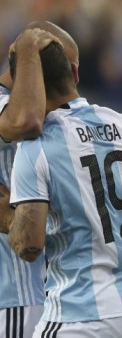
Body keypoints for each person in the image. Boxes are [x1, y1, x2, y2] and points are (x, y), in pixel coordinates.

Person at [2, 37, 122, 337]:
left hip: (78, 315)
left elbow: (29, 245)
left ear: (26, 88)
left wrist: (7, 219)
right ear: (75, 74)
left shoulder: (37, 147)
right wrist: (114, 239)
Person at [0, 22, 79, 338]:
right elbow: (26, 121)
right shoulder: (13, 107)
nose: (71, 80)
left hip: (55, 292)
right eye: (60, 68)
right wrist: (31, 45)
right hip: (18, 295)